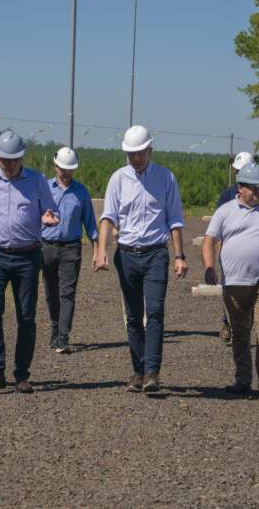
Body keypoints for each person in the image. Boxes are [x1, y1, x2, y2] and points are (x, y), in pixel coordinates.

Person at [94, 125, 187, 393]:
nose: (135, 158)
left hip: (156, 253)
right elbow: (108, 217)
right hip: (126, 255)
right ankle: (138, 370)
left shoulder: (166, 178)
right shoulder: (118, 179)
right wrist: (101, 251)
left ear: (150, 150)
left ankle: (152, 373)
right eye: (131, 154)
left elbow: (175, 219)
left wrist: (179, 255)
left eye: (140, 153)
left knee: (155, 311)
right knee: (133, 316)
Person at [0, 131, 59, 394]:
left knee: (26, 315)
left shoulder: (37, 181)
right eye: (3, 159)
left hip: (28, 256)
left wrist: (49, 217)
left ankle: (22, 374)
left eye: (13, 159)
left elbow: (52, 209)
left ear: (21, 157)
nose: (8, 164)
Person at [202, 163, 259, 395]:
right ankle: (242, 379)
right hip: (234, 282)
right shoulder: (225, 211)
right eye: (254, 188)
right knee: (240, 331)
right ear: (240, 188)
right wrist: (209, 266)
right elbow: (209, 240)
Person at [41, 147, 99, 354]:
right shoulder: (44, 188)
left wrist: (97, 250)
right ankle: (55, 326)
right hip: (46, 246)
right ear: (55, 166)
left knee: (68, 292)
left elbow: (90, 224)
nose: (65, 172)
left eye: (69, 169)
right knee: (50, 292)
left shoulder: (81, 192)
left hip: (71, 248)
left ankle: (64, 336)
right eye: (62, 168)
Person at [215, 151, 259, 344]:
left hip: (252, 250)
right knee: (229, 286)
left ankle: (244, 324)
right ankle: (227, 322)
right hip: (230, 249)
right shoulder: (227, 194)